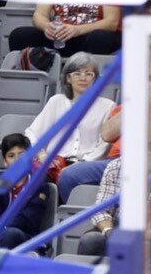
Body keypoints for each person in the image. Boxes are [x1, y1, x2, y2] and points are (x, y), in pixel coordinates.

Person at [26, 52, 116, 201]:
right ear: (68, 78)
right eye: (77, 73)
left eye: (89, 74)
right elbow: (31, 133)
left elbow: (104, 144)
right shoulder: (57, 101)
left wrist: (82, 164)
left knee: (71, 178)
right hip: (54, 162)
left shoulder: (107, 106)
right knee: (34, 181)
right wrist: (42, 155)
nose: (83, 78)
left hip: (86, 164)